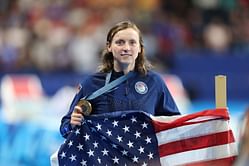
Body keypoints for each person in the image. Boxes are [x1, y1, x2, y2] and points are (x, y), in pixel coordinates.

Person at [59, 20, 180, 138]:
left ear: (140, 48)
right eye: (120, 42)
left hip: (144, 157)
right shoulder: (92, 84)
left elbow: (175, 125)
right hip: (105, 157)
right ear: (109, 47)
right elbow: (64, 130)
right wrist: (71, 124)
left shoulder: (154, 82)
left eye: (132, 42)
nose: (126, 48)